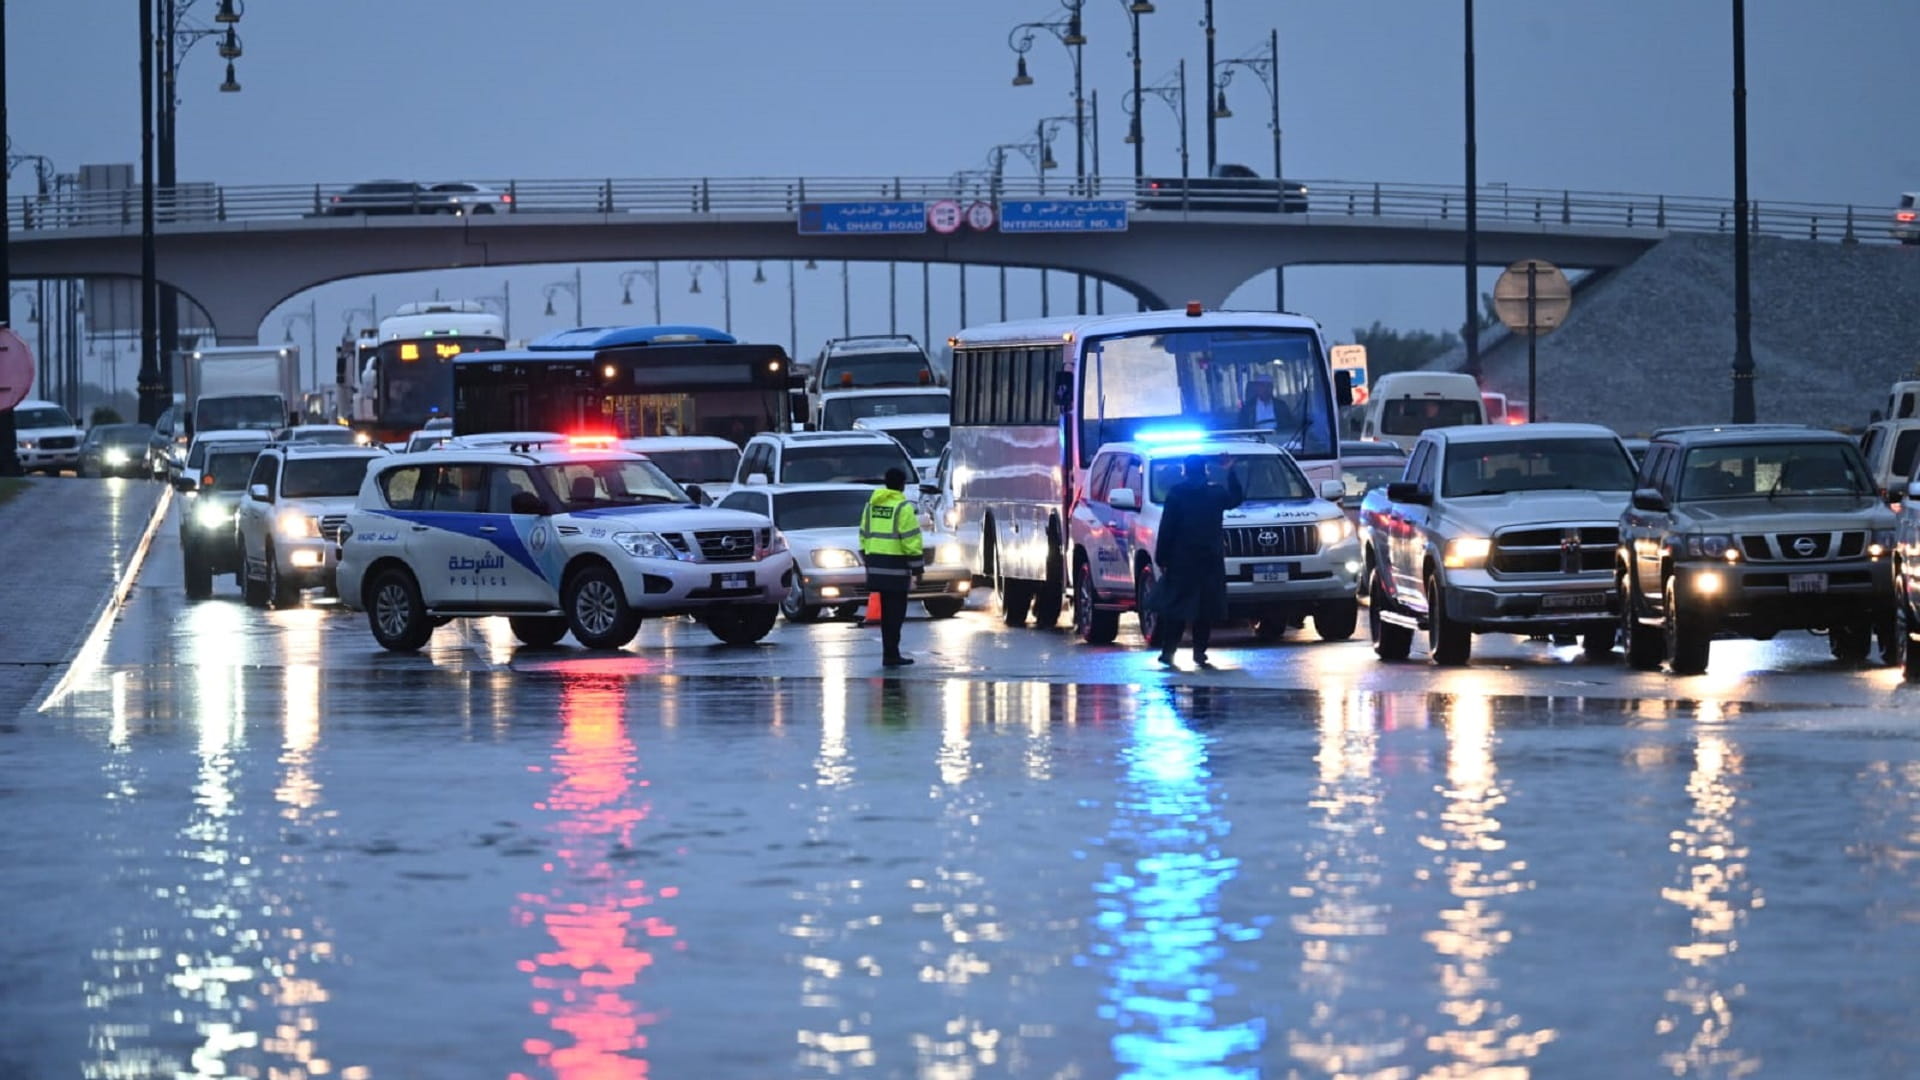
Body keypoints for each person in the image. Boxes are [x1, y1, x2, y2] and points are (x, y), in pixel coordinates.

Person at [1152, 453, 1245, 667]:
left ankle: (1169, 651)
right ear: (1206, 471)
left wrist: (1162, 557)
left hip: (1181, 559)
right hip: (1210, 558)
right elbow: (1236, 499)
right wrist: (1230, 471)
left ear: (1184, 471)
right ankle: (1199, 652)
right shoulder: (1216, 493)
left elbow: (1167, 527)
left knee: (1177, 606)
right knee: (1205, 607)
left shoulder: (1176, 493)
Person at [859, 466, 925, 667]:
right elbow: (910, 540)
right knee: (895, 614)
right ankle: (891, 655)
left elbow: (863, 533)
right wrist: (918, 568)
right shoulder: (902, 508)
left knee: (887, 612)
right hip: (896, 567)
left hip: (876, 565)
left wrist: (868, 558)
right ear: (902, 485)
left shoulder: (872, 505)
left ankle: (889, 653)